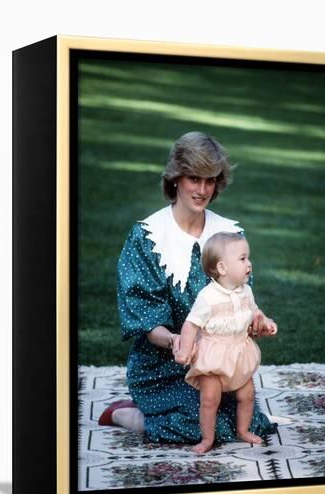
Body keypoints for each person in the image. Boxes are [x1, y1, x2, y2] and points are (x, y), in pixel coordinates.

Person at [98, 131, 278, 444]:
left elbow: (241, 300)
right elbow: (147, 320)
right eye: (194, 178)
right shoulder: (148, 237)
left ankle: (163, 416)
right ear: (176, 179)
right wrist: (176, 341)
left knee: (250, 424)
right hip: (162, 366)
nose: (203, 189)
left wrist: (254, 322)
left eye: (210, 180)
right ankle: (129, 415)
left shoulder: (229, 235)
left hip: (218, 365)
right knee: (203, 428)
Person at [175, 232, 277, 453]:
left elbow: (254, 312)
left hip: (239, 352)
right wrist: (184, 349)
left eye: (248, 258)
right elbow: (191, 325)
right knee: (210, 399)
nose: (249, 264)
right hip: (214, 356)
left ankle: (243, 430)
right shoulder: (208, 297)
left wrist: (265, 322)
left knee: (247, 394)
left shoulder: (246, 292)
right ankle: (207, 439)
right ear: (222, 268)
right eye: (242, 259)